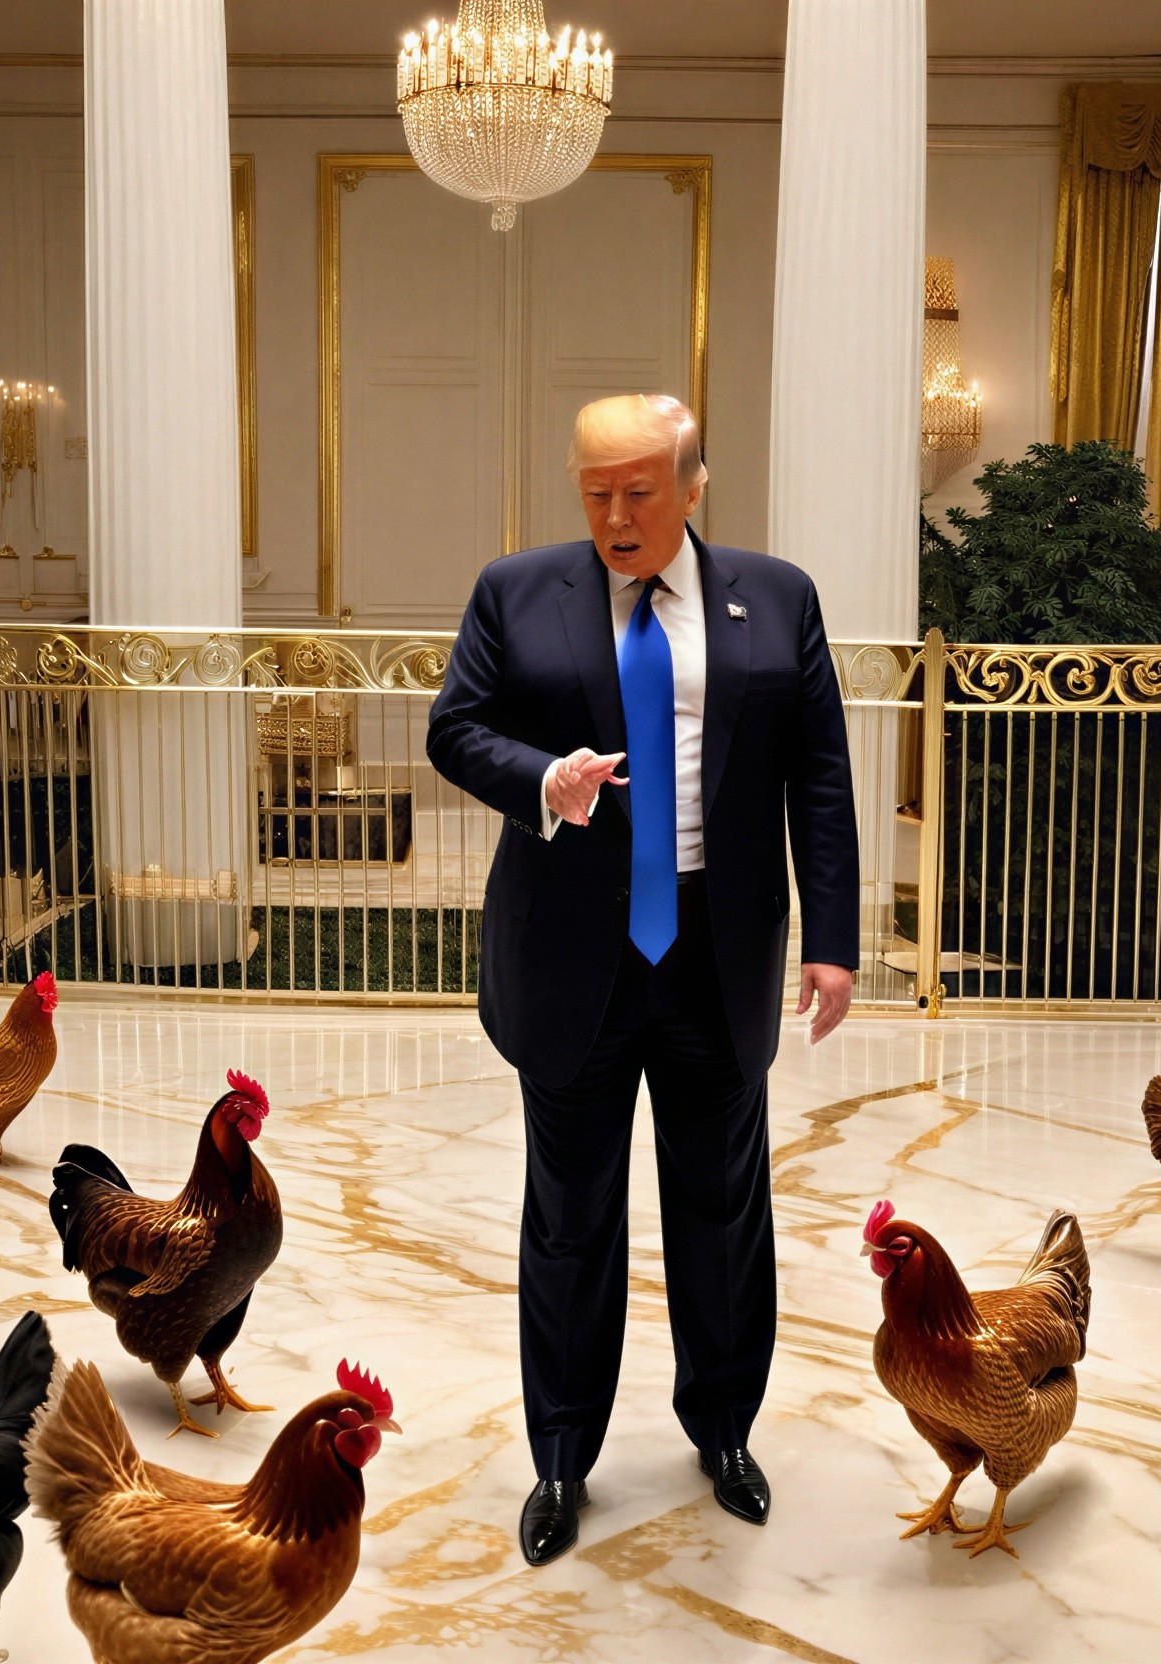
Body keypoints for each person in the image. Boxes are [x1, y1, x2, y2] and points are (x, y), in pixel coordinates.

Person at [426, 394, 860, 1567]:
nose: (614, 517)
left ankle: (722, 1430)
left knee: (723, 1211)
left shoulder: (777, 597)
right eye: (593, 492)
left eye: (638, 492)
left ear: (692, 482)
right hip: (575, 964)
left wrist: (832, 937)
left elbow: (817, 773)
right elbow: (454, 727)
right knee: (567, 1218)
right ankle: (561, 1455)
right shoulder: (517, 589)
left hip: (716, 959)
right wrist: (541, 777)